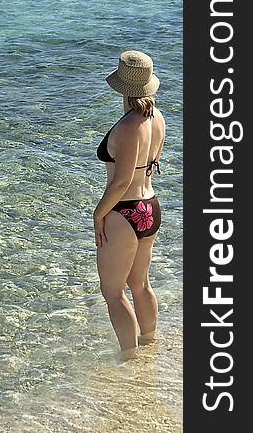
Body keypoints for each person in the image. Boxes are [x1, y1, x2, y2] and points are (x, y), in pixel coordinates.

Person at [93, 50, 165, 360]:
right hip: (150, 207)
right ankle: (150, 344)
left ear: (122, 87)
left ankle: (130, 359)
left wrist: (99, 214)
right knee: (141, 284)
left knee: (113, 293)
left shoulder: (126, 127)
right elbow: (152, 163)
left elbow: (120, 182)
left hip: (123, 211)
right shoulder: (157, 118)